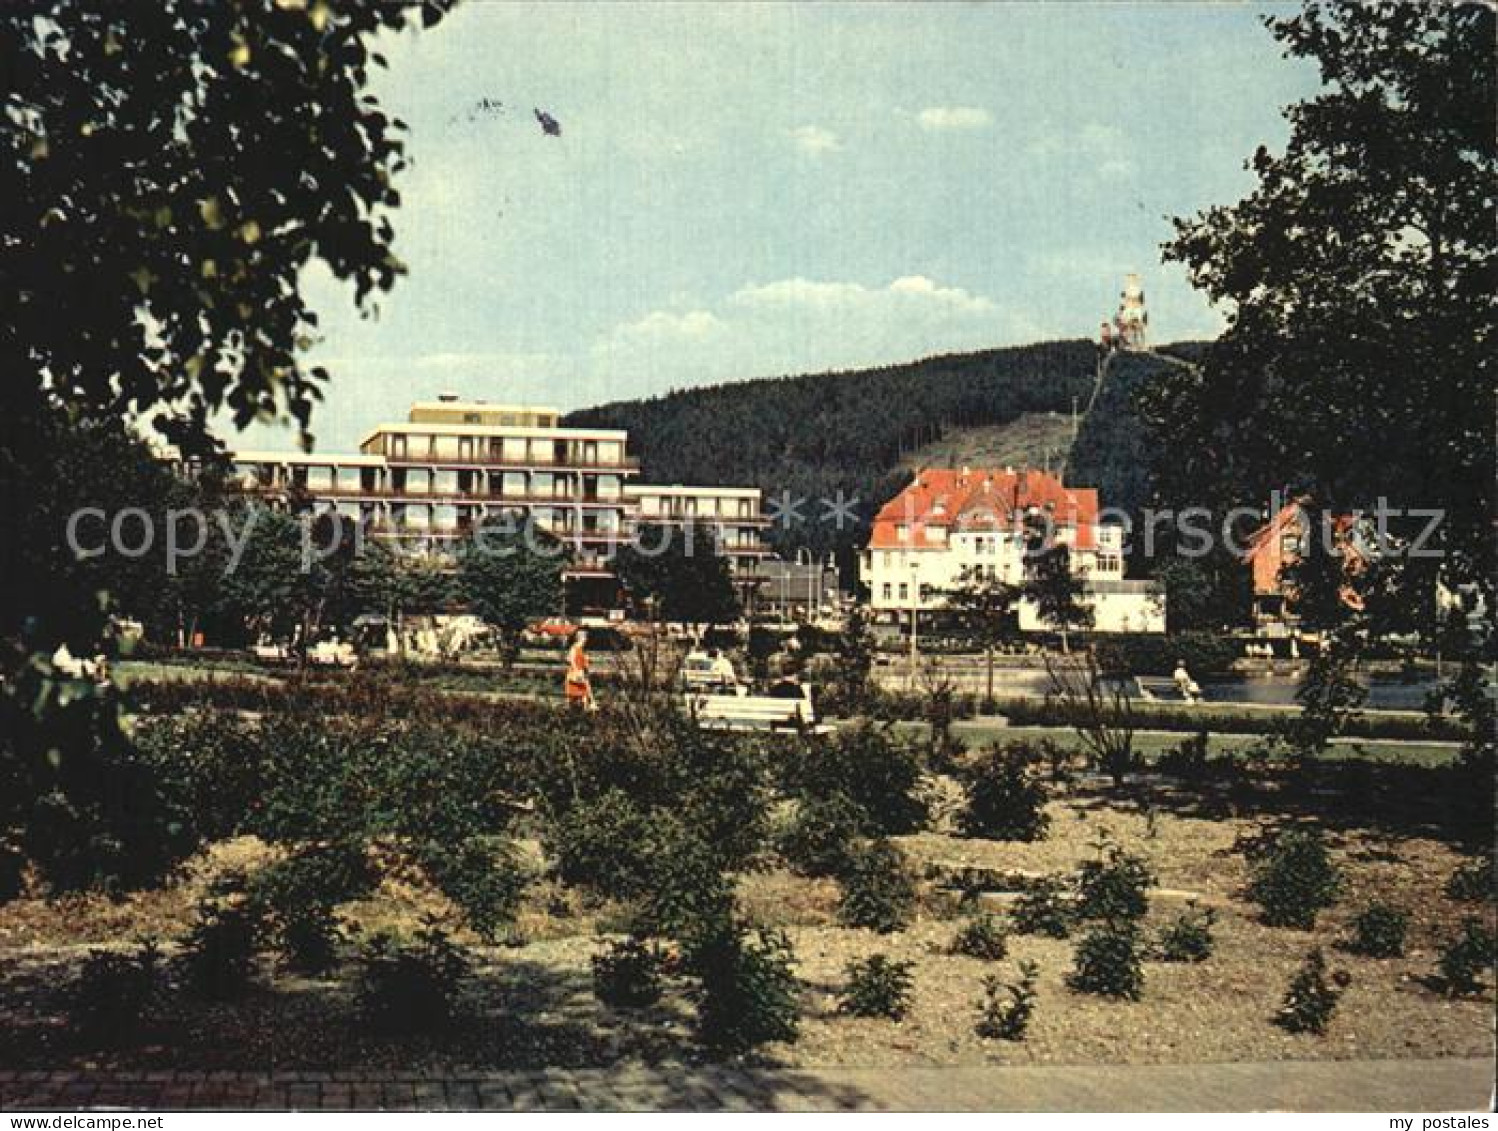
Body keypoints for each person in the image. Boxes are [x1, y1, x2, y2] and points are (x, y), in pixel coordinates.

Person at [564, 630, 594, 710]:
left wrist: (586, 660)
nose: (586, 640)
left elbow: (578, 660)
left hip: (581, 672)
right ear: (581, 638)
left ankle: (587, 707)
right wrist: (577, 671)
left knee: (584, 693)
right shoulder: (574, 648)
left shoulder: (580, 649)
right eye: (585, 638)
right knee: (574, 694)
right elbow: (571, 660)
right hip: (576, 673)